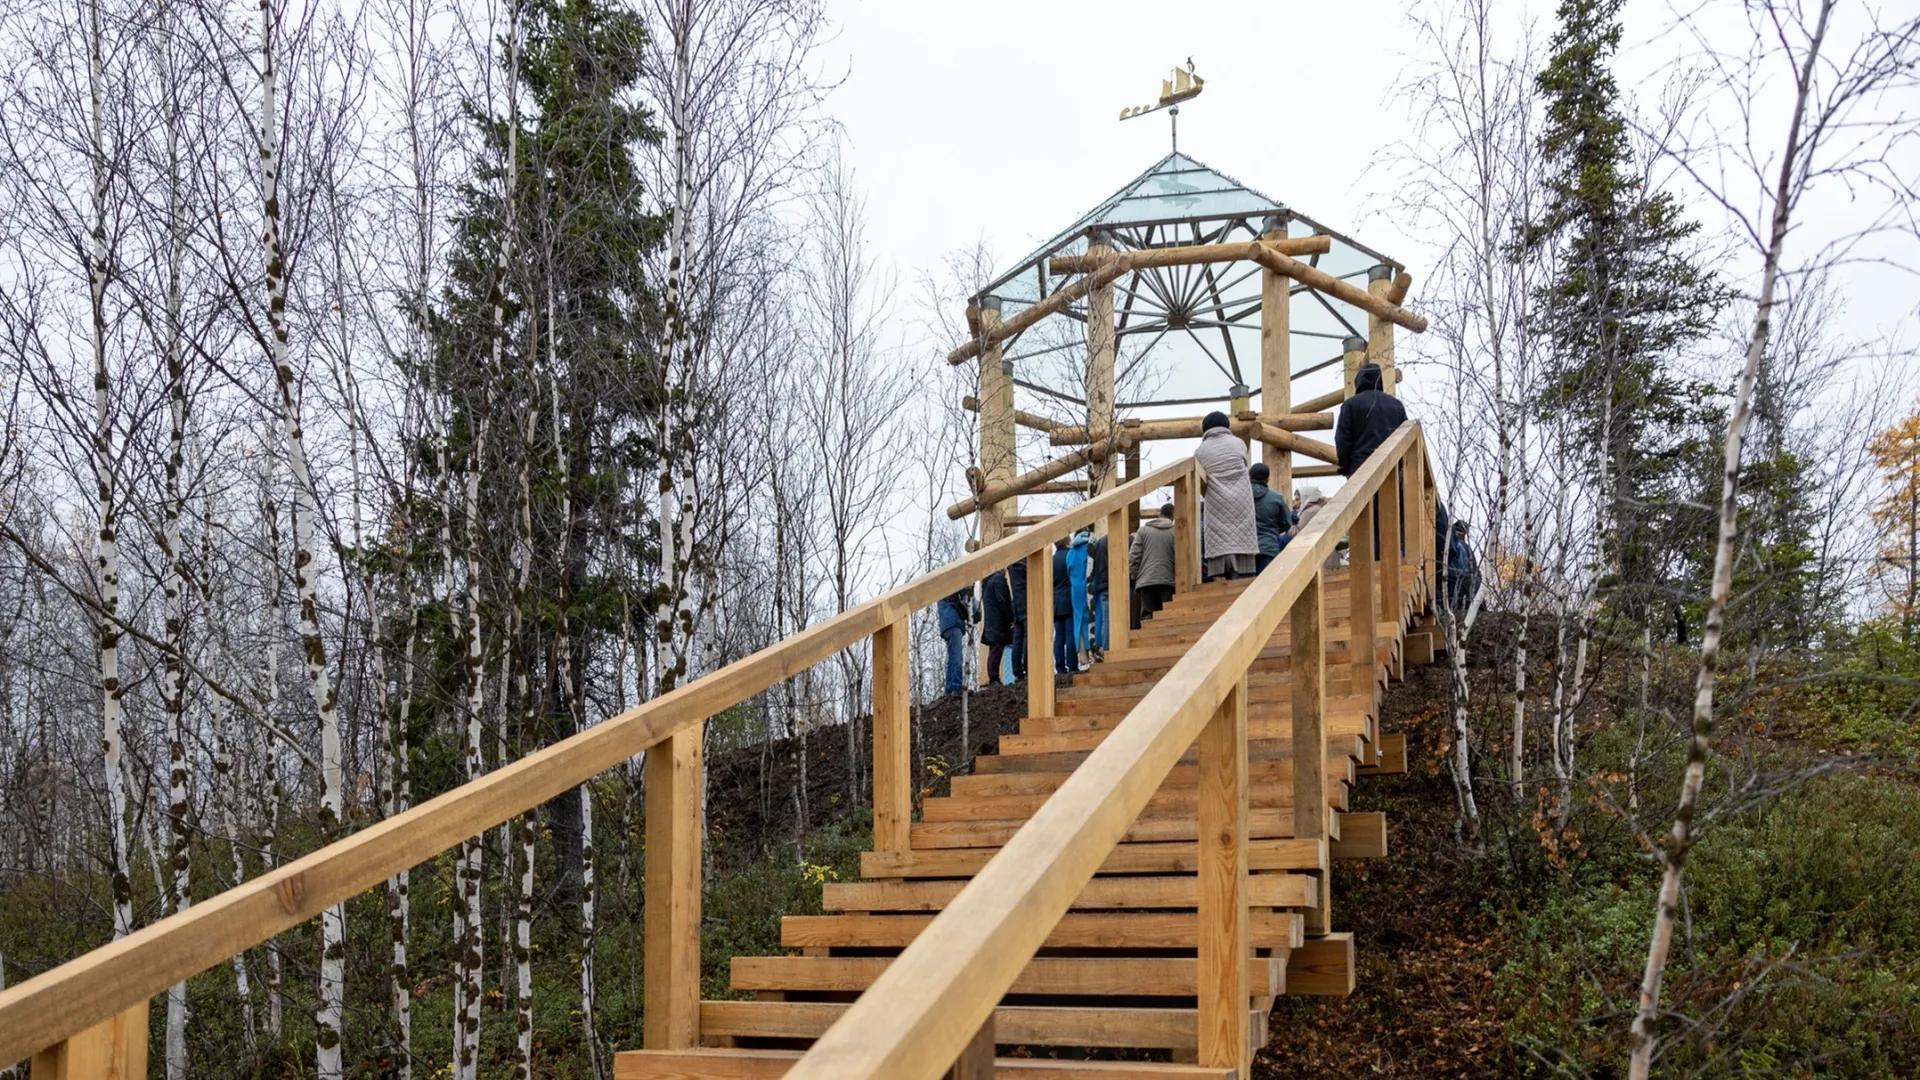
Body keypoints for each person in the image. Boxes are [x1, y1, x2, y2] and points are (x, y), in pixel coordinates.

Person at [1193, 411, 1258, 580]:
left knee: (1220, 540)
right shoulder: (1239, 443)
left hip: (1216, 501)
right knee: (1242, 539)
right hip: (1241, 500)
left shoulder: (1200, 451)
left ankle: (1221, 574)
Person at [1335, 362, 1408, 478]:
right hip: (1391, 471)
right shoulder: (1396, 405)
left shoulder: (1350, 405)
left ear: (1358, 381)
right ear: (1380, 380)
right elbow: (1406, 439)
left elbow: (1342, 440)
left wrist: (1345, 467)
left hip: (1359, 470)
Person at [1129, 503, 1177, 627]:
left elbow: (1134, 556)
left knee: (1147, 618)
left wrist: (1136, 577)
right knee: (1167, 618)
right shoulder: (1176, 532)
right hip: (1168, 581)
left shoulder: (1143, 531)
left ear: (1159, 514)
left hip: (1146, 582)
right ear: (1172, 515)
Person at [1249, 462, 1293, 573]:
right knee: (1267, 586)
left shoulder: (1241, 497)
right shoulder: (1277, 498)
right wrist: (1274, 529)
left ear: (1249, 477)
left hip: (1245, 549)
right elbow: (1287, 523)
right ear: (1267, 479)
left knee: (1245, 588)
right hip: (1269, 547)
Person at [936, 586, 975, 694]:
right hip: (952, 622)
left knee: (952, 657)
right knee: (956, 657)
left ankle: (950, 689)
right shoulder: (948, 584)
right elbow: (960, 588)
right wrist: (968, 587)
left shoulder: (943, 592)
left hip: (949, 623)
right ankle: (956, 688)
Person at [980, 568, 1014, 686]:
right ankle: (994, 678)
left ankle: (993, 677)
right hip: (998, 621)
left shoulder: (987, 582)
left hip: (991, 621)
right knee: (996, 649)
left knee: (994, 649)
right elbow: (1004, 601)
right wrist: (1010, 617)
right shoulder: (998, 580)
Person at [1066, 529, 1092, 668]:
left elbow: (1068, 571)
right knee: (1092, 618)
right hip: (1089, 587)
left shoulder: (1070, 553)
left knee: (1079, 622)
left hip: (1075, 590)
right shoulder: (1090, 547)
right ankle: (1093, 652)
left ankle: (1083, 657)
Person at [1050, 536, 1076, 674]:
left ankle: (1060, 666)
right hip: (1069, 599)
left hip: (1056, 602)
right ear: (1068, 541)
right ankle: (1072, 664)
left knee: (1059, 636)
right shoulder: (1070, 555)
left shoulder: (1052, 560)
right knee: (1070, 634)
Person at [1446, 520, 1482, 612]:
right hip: (1463, 576)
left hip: (1452, 575)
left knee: (1454, 603)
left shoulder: (1450, 543)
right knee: (1463, 602)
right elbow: (1473, 566)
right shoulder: (1465, 546)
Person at [1088, 531, 1110, 661]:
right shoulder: (1125, 540)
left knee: (1104, 620)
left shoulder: (1099, 543)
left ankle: (1104, 650)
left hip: (1102, 586)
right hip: (1115, 584)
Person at [1007, 558, 1028, 681]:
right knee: (1026, 637)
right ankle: (1028, 667)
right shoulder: (1023, 566)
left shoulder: (1012, 567)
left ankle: (1017, 671)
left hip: (1016, 605)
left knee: (1017, 638)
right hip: (1026, 603)